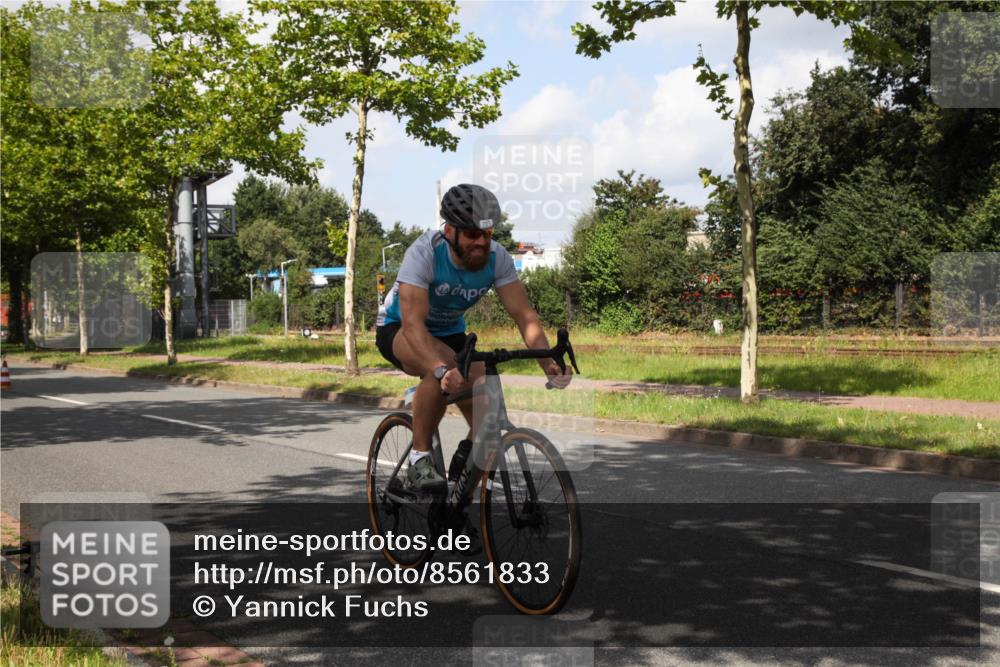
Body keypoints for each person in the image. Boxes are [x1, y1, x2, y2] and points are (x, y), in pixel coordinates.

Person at [375, 183, 572, 493]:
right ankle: (419, 457)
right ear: (450, 230)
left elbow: (525, 316)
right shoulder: (424, 253)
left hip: (451, 333)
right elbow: (414, 326)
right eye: (471, 235)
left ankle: (460, 486)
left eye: (487, 234)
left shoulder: (497, 258)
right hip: (400, 328)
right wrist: (441, 370)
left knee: (487, 410)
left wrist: (547, 363)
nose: (481, 242)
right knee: (441, 366)